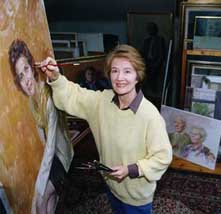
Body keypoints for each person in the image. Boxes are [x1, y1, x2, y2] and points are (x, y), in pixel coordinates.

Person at [38, 44, 173, 214]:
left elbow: (163, 157)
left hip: (136, 196)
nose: (120, 77)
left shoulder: (150, 116)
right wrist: (56, 77)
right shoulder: (102, 101)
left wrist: (130, 169)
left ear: (138, 76)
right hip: (111, 185)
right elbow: (75, 95)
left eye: (127, 71)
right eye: (115, 71)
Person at [8, 39, 74, 214]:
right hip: (52, 157)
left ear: (32, 66)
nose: (26, 80)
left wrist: (39, 186)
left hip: (63, 155)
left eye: (26, 70)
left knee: (41, 200)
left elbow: (51, 144)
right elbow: (44, 141)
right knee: (44, 204)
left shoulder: (48, 96)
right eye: (20, 76)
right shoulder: (31, 101)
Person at [142, 22, 166, 99]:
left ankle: (156, 97)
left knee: (156, 82)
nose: (150, 30)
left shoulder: (160, 40)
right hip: (147, 63)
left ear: (156, 30)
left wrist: (157, 65)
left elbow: (162, 54)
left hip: (157, 64)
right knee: (148, 81)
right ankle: (149, 96)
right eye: (149, 29)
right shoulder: (146, 40)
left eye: (152, 29)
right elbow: (143, 52)